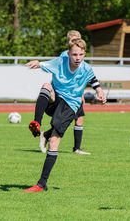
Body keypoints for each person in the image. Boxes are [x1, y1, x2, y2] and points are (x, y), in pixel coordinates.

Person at [24, 38, 106, 192]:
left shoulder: (86, 69)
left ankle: (41, 184)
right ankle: (36, 123)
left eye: (81, 54)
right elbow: (44, 64)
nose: (78, 58)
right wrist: (38, 63)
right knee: (46, 86)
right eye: (75, 54)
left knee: (54, 141)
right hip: (56, 99)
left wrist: (100, 92)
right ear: (68, 54)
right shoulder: (60, 61)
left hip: (70, 105)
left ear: (84, 54)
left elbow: (94, 82)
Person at [29, 30, 101, 155]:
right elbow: (56, 69)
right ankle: (39, 126)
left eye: (77, 39)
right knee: (65, 121)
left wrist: (87, 92)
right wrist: (39, 64)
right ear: (68, 44)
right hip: (61, 97)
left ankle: (72, 146)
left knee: (77, 119)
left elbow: (85, 77)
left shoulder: (81, 60)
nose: (75, 42)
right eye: (72, 40)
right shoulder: (65, 57)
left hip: (74, 97)